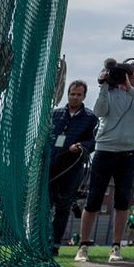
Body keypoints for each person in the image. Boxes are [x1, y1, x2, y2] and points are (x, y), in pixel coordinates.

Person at [76, 59, 134, 264]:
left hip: (127, 153)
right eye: (125, 71)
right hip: (104, 151)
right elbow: (99, 112)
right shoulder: (109, 92)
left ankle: (116, 247)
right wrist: (103, 86)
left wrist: (128, 88)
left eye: (133, 72)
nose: (129, 74)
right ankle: (83, 246)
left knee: (122, 201)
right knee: (93, 200)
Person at [47, 79, 98, 249]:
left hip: (72, 167)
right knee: (45, 203)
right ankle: (40, 239)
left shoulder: (90, 118)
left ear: (84, 97)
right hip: (52, 164)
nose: (74, 97)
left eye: (78, 95)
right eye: (72, 94)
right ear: (67, 95)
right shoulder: (56, 114)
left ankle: (54, 244)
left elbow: (93, 142)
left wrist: (81, 147)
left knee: (63, 206)